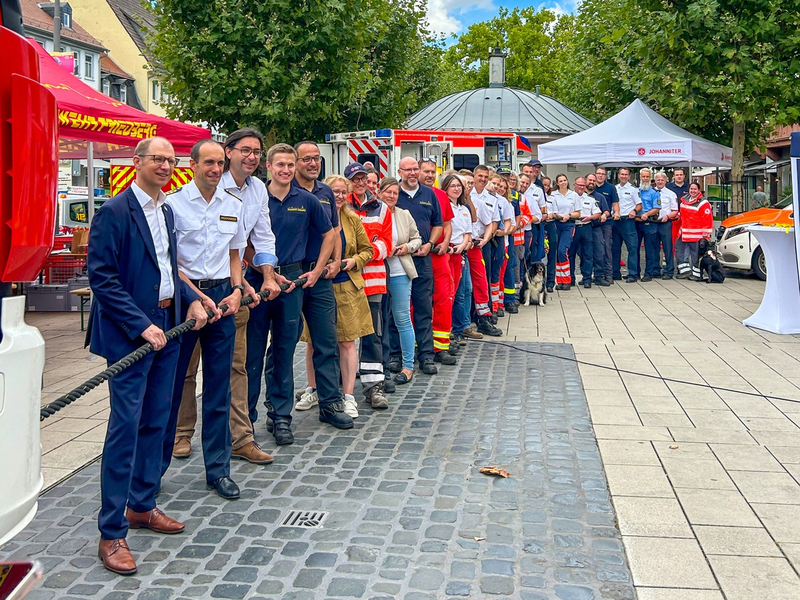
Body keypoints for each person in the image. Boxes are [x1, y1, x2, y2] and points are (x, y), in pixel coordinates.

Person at [86, 136, 208, 575]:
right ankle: (111, 532)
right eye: (157, 158)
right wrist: (140, 325)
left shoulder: (167, 210)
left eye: (170, 160)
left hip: (169, 329)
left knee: (159, 422)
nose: (164, 165)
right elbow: (102, 279)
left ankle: (142, 503)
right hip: (130, 338)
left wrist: (190, 301)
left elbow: (168, 268)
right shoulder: (114, 212)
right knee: (126, 429)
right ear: (137, 162)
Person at [172, 128, 280, 467]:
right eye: (244, 151)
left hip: (229, 293)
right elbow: (172, 258)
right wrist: (195, 295)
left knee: (236, 368)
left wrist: (257, 277)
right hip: (189, 296)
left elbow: (254, 241)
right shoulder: (182, 200)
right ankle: (180, 433)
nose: (251, 157)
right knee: (185, 369)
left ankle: (240, 439)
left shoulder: (254, 191)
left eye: (256, 152)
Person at [160, 139, 246, 501]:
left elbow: (235, 253)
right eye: (207, 162)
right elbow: (167, 262)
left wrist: (238, 290)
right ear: (192, 164)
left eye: (219, 163)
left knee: (218, 389)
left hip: (224, 300)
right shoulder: (173, 205)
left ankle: (218, 470)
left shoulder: (233, 204)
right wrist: (196, 296)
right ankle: (155, 469)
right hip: (186, 303)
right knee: (172, 386)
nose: (214, 169)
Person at [245, 143, 339, 447]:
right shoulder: (254, 196)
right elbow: (242, 240)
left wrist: (318, 269)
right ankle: (244, 420)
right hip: (258, 281)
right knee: (252, 355)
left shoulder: (308, 200)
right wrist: (265, 272)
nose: (285, 170)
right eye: (280, 165)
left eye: (289, 165)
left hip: (292, 284)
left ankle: (281, 416)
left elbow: (329, 234)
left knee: (285, 351)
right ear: (268, 167)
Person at [300, 175, 374, 417]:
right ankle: (313, 388)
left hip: (346, 287)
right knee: (313, 342)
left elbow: (368, 250)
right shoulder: (312, 215)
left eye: (343, 191)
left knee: (346, 342)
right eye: (335, 191)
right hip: (318, 287)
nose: (339, 196)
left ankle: (349, 395)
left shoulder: (352, 220)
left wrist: (354, 261)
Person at [290, 141, 351, 427]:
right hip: (291, 276)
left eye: (317, 159)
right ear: (295, 161)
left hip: (322, 276)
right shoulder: (282, 188)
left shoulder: (326, 192)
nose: (313, 164)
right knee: (283, 345)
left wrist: (336, 261)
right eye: (307, 159)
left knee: (327, 342)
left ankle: (330, 404)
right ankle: (277, 413)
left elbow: (335, 230)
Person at [389, 156, 443, 375]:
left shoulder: (429, 194)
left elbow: (438, 224)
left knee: (423, 308)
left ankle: (426, 356)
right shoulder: (394, 194)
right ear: (399, 171)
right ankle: (396, 355)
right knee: (397, 310)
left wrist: (430, 244)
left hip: (422, 259)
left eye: (415, 169)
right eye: (408, 170)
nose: (412, 173)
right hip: (399, 260)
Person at [345, 162, 393, 407]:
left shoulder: (382, 208)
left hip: (373, 281)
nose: (361, 182)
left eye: (364, 178)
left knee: (373, 334)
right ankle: (338, 388)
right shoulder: (342, 206)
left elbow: (387, 243)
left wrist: (363, 253)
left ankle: (374, 387)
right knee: (342, 335)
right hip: (345, 282)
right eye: (356, 179)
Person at [381, 177, 422, 384]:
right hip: (376, 273)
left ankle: (407, 366)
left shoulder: (404, 215)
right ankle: (377, 366)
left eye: (395, 193)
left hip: (399, 271)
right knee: (375, 322)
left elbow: (417, 238)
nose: (391, 196)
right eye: (387, 192)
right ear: (379, 193)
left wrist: (407, 248)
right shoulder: (372, 214)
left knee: (402, 318)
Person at [419, 158, 458, 365]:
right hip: (417, 256)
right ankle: (419, 345)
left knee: (443, 299)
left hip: (439, 255)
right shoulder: (406, 195)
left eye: (433, 172)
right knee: (417, 303)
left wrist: (445, 243)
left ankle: (440, 346)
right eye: (426, 171)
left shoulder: (441, 195)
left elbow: (447, 224)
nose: (430, 175)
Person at [468, 165, 503, 336]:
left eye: (485, 176)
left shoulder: (491, 198)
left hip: (483, 242)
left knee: (484, 279)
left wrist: (486, 239)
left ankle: (484, 317)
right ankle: (469, 316)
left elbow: (494, 221)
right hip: (464, 244)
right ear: (474, 176)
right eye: (479, 176)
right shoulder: (465, 194)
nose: (482, 179)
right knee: (465, 284)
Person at [547, 173, 581, 290]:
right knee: (556, 252)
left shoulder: (574, 195)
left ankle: (567, 280)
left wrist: (569, 215)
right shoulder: (553, 195)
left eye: (564, 180)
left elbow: (578, 213)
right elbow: (551, 210)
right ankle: (559, 280)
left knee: (563, 251)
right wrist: (557, 215)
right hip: (556, 224)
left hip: (568, 225)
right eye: (560, 181)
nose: (563, 182)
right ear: (557, 183)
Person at [489, 173, 515, 314]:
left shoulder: (504, 202)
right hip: (487, 241)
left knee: (498, 274)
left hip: (501, 243)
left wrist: (503, 232)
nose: (498, 188)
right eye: (496, 184)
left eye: (502, 186)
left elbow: (511, 223)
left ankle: (497, 305)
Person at [675, 182, 713, 280]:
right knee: (680, 252)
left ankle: (696, 275)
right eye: (691, 189)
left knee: (695, 255)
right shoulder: (684, 200)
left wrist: (706, 235)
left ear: (699, 191)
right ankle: (685, 272)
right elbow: (682, 214)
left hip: (696, 235)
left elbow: (707, 219)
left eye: (695, 189)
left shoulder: (703, 203)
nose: (693, 191)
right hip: (684, 233)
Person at [569, 176, 600, 288]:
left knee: (587, 254)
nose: (581, 187)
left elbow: (598, 213)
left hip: (586, 227)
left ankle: (587, 279)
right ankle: (570, 278)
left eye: (583, 185)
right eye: (579, 185)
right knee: (570, 254)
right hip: (572, 227)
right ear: (574, 185)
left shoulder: (590, 199)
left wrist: (591, 217)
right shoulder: (569, 197)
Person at [612, 168, 642, 283]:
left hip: (627, 221)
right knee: (615, 248)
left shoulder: (633, 190)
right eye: (622, 174)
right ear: (619, 176)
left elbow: (639, 205)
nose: (624, 176)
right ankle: (615, 273)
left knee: (632, 248)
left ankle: (633, 274)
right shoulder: (614, 188)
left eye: (626, 174)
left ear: (629, 176)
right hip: (615, 220)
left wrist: (634, 211)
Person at [650, 172, 680, 279]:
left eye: (662, 180)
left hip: (665, 223)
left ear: (666, 181)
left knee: (667, 247)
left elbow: (675, 210)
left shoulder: (671, 194)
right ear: (655, 181)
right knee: (654, 247)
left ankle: (669, 270)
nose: (660, 182)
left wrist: (667, 216)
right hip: (653, 223)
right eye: (658, 180)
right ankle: (656, 269)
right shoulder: (651, 192)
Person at [594, 168, 619, 284]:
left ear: (606, 176)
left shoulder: (610, 188)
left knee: (606, 248)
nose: (600, 176)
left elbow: (615, 203)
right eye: (599, 174)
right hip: (592, 223)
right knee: (594, 249)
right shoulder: (590, 186)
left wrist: (617, 212)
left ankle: (608, 274)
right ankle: (595, 274)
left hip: (606, 223)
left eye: (603, 174)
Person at [585, 174, 611, 286]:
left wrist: (604, 215)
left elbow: (607, 210)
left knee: (600, 252)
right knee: (584, 253)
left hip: (596, 227)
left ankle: (599, 276)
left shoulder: (600, 197)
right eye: (590, 180)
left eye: (593, 181)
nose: (591, 182)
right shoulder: (578, 195)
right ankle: (586, 276)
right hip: (584, 227)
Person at [637, 168, 661, 282]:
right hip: (636, 222)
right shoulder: (636, 191)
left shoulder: (654, 193)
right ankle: (635, 272)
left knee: (650, 249)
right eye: (643, 177)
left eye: (647, 177)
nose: (645, 179)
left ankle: (649, 273)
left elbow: (657, 208)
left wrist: (646, 214)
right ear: (640, 177)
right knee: (634, 249)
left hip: (650, 223)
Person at [667, 168, 689, 247]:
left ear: (684, 176)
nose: (679, 177)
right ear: (674, 176)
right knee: (670, 238)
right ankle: (667, 257)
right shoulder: (668, 187)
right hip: (672, 217)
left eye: (681, 175)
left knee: (684, 239)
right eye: (677, 175)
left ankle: (683, 258)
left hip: (686, 217)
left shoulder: (689, 187)